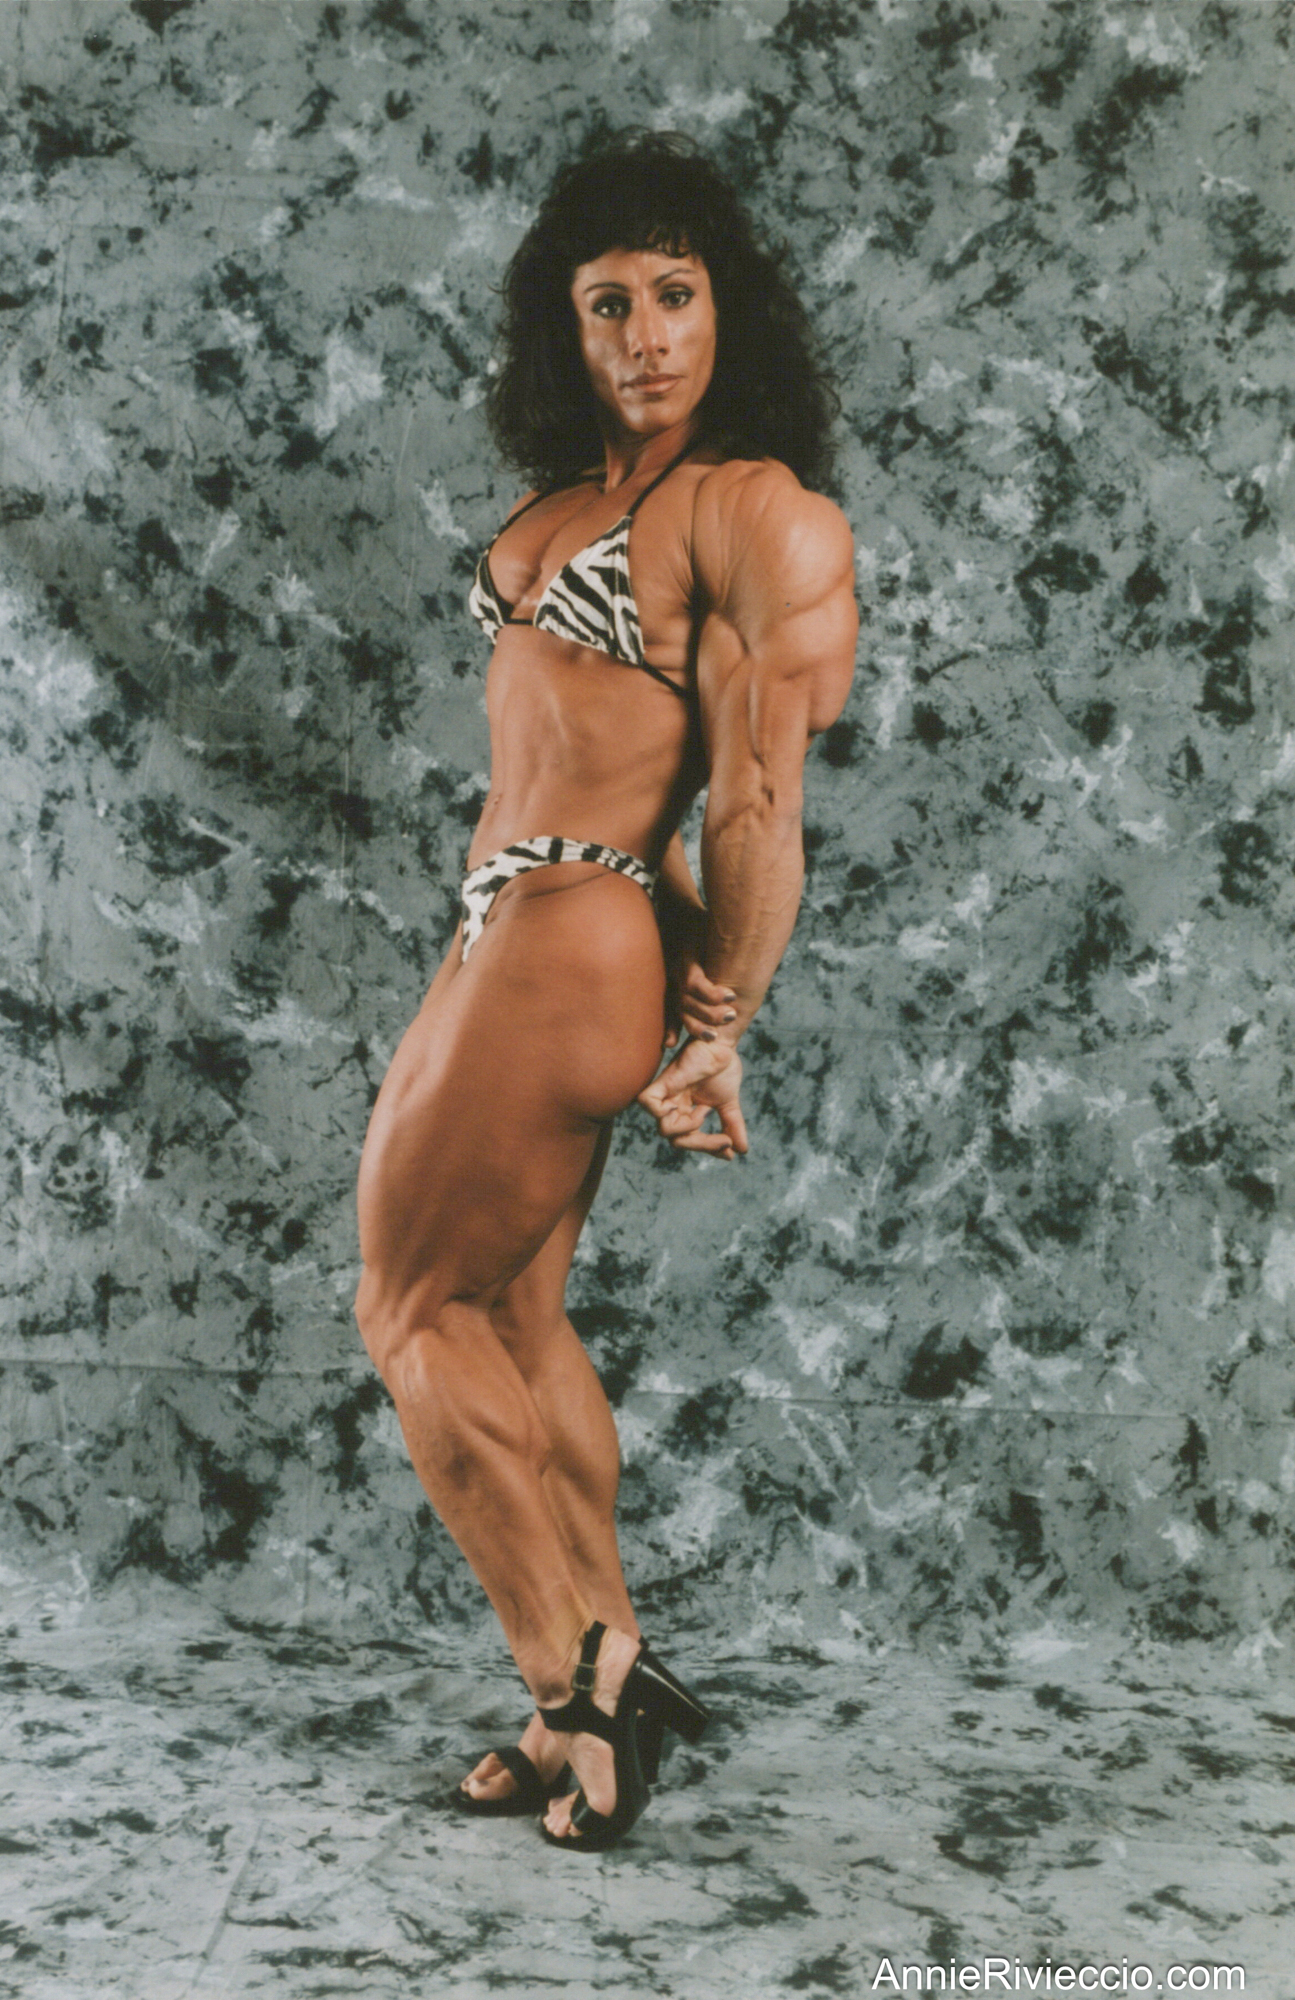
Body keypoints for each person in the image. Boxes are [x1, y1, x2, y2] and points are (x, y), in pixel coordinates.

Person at [354, 131, 857, 1850]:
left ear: (731, 309)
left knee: (410, 1313)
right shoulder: (565, 508)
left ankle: (577, 1682)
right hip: (519, 922)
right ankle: (598, 1675)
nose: (646, 336)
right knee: (505, 1319)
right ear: (562, 327)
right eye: (608, 303)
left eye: (677, 294)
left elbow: (756, 797)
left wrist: (721, 1025)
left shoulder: (750, 508)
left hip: (577, 930)